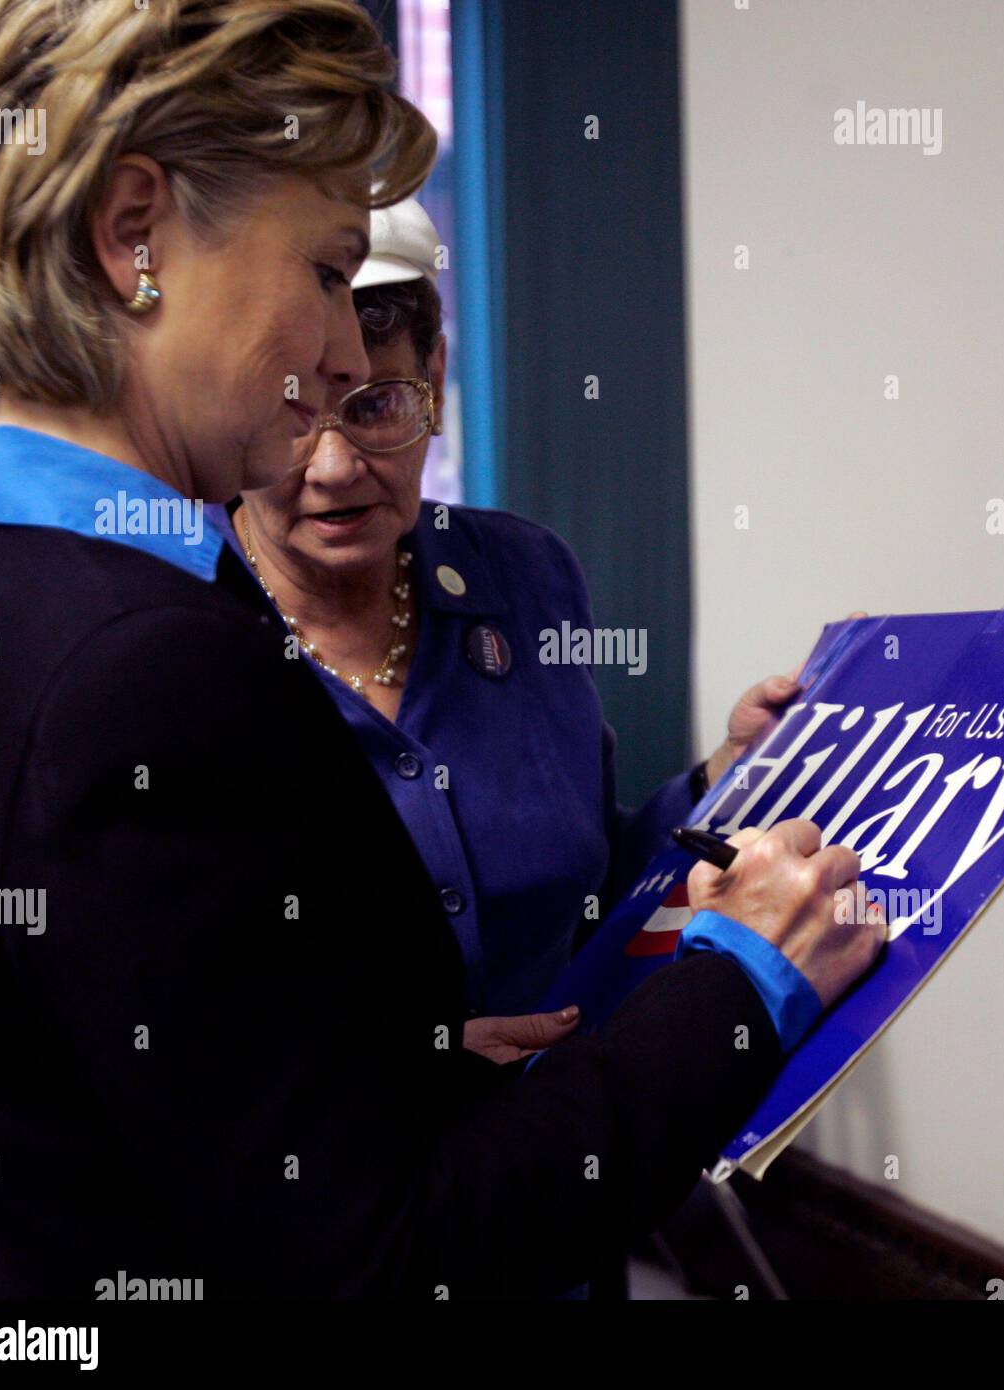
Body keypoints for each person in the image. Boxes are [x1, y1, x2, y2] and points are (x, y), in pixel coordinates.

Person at [0, 0, 884, 1299]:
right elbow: (397, 1260)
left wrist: (397, 1068)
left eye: (379, 357)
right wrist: (747, 982)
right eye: (325, 271)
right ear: (134, 232)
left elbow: (140, 1092)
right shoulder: (146, 665)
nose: (337, 355)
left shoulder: (5, 585)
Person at [228, 197, 811, 1057]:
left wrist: (724, 776)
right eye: (290, 416)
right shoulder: (167, 630)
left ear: (433, 374)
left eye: (379, 406)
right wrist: (399, 1065)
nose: (336, 466)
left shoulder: (525, 578)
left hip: (557, 1132)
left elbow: (592, 885)